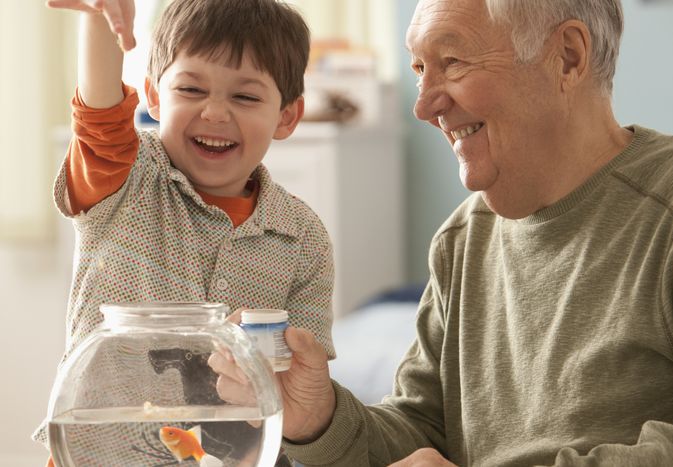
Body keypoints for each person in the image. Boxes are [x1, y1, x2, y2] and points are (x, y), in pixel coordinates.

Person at [211, 0, 673, 465]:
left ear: (568, 57)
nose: (423, 105)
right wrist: (317, 418)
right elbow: (423, 430)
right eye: (418, 68)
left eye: (452, 63)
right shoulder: (464, 239)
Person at [35, 0, 335, 465]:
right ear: (154, 96)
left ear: (287, 117)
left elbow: (298, 391)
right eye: (191, 88)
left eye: (246, 97)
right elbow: (99, 117)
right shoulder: (125, 179)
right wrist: (100, 17)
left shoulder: (302, 238)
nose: (215, 112)